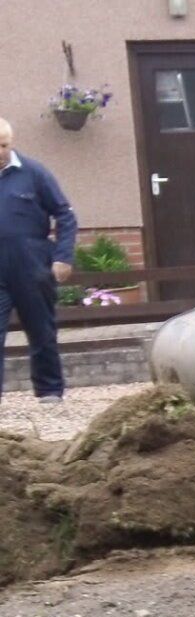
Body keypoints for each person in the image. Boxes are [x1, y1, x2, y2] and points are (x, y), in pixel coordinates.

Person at [0, 117, 78, 404]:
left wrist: (63, 257)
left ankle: (49, 391)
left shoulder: (34, 173)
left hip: (32, 262)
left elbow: (65, 214)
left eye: (3, 145)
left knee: (41, 331)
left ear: (12, 142)